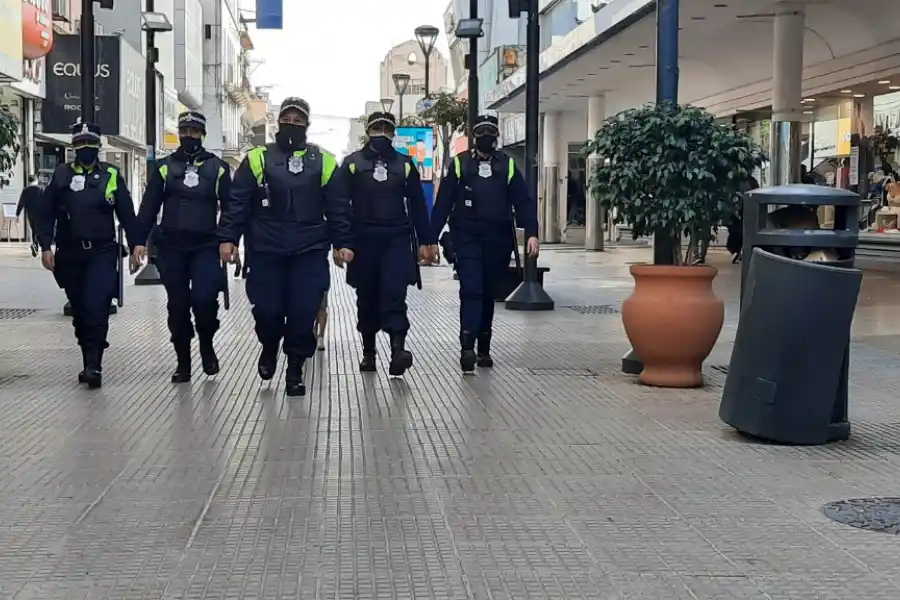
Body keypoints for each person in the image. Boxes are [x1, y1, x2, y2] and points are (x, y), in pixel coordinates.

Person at [218, 97, 354, 396]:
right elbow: (237, 203)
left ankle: (295, 368)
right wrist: (228, 238)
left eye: (298, 120)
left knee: (303, 311)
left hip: (309, 250)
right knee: (268, 310)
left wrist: (342, 243)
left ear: (307, 125)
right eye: (287, 119)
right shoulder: (257, 159)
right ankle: (269, 344)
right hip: (267, 250)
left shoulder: (324, 161)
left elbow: (338, 207)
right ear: (278, 122)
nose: (292, 124)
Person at [430, 114, 539, 373]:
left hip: (497, 238)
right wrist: (429, 238)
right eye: (481, 132)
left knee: (488, 292)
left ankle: (484, 348)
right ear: (474, 136)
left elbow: (522, 201)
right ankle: (466, 345)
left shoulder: (507, 165)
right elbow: (444, 202)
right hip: (466, 236)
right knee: (471, 289)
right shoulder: (460, 164)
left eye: (491, 132)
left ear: (497, 136)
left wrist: (532, 232)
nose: (486, 137)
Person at [36, 122, 140, 389]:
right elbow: (45, 213)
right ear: (73, 146)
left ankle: (95, 365)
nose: (85, 148)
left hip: (102, 252)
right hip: (70, 254)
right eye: (79, 143)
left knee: (97, 306)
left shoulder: (111, 175)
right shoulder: (62, 175)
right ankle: (87, 360)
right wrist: (45, 246)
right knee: (81, 311)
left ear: (99, 146)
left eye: (90, 143)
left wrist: (137, 244)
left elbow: (126, 213)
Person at [332, 111, 436, 375]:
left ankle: (398, 350)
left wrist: (427, 241)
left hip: (396, 240)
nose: (381, 133)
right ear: (367, 131)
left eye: (386, 129)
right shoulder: (352, 163)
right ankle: (369, 352)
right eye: (376, 128)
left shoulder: (405, 164)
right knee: (366, 298)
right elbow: (339, 205)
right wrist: (341, 242)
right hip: (362, 242)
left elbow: (418, 205)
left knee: (394, 296)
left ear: (393, 134)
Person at [133, 111, 232, 383]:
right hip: (172, 247)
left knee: (203, 302)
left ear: (202, 134)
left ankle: (207, 346)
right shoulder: (164, 167)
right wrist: (139, 241)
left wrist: (228, 239)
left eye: (194, 131)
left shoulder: (219, 168)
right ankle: (183, 362)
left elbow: (231, 209)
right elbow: (149, 207)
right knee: (178, 306)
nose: (189, 136)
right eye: (185, 130)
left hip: (205, 246)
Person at [17, 175, 42, 256]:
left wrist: (17, 214)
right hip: (40, 213)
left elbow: (21, 202)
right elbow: (46, 201)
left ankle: (35, 246)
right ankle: (35, 244)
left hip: (30, 213)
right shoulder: (41, 189)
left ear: (28, 181)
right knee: (39, 229)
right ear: (36, 180)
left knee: (34, 229)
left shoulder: (25, 190)